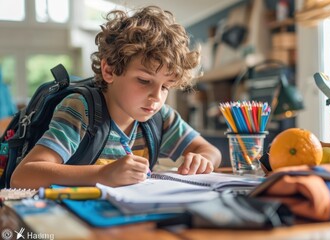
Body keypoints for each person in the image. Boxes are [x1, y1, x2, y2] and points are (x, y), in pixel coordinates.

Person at [11, 6, 221, 189]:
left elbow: (210, 151)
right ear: (109, 70)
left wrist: (202, 159)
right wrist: (102, 175)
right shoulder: (81, 109)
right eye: (144, 80)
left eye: (166, 86)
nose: (156, 97)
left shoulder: (161, 118)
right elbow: (23, 176)